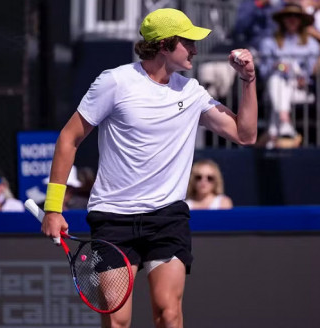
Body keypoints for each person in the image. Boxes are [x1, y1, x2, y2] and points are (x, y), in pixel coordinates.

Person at [41, 8, 257, 328]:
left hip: (167, 218)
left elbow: (245, 134)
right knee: (118, 322)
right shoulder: (114, 82)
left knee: (168, 313)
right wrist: (53, 208)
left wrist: (248, 79)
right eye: (188, 43)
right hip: (113, 218)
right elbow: (68, 139)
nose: (195, 50)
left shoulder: (191, 91)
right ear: (165, 45)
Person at [258, 3, 320, 148]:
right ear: (282, 20)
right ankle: (285, 123)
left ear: (301, 20)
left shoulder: (311, 44)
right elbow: (264, 71)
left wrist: (302, 77)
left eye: (296, 16)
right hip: (274, 87)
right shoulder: (269, 42)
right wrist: (278, 66)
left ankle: (273, 133)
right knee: (276, 80)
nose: (292, 19)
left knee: (279, 85)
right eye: (288, 16)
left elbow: (310, 71)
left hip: (300, 90)